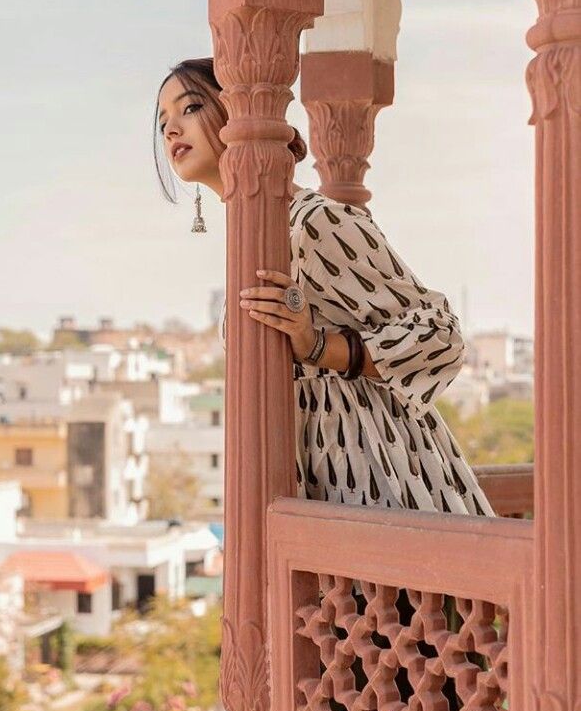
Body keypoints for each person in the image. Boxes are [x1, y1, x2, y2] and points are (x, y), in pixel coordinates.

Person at [153, 57, 495, 519]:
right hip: (316, 494)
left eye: (189, 107)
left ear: (239, 112)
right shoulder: (255, 236)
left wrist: (319, 346)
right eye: (163, 122)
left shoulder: (315, 222)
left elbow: (442, 338)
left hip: (385, 486)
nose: (172, 130)